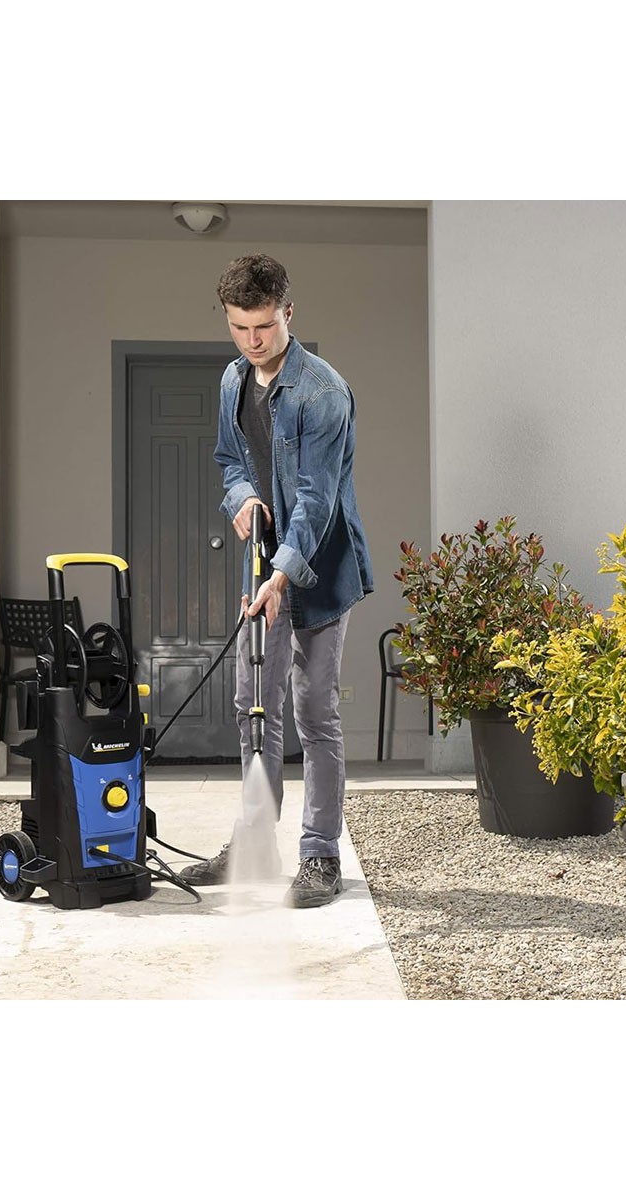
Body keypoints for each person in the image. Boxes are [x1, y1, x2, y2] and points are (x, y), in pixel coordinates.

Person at [180, 254, 373, 907]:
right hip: (263, 564)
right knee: (253, 705)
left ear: (288, 312)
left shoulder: (324, 393)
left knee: (315, 712)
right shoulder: (233, 379)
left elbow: (316, 501)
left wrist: (282, 577)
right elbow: (229, 461)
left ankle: (320, 856)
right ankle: (255, 844)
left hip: (319, 569)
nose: (252, 340)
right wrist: (241, 499)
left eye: (263, 325)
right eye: (239, 327)